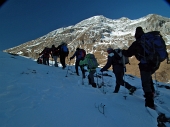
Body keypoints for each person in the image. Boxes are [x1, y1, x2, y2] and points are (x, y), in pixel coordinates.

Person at [122, 26, 157, 109]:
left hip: (145, 64)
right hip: (154, 63)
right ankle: (152, 93)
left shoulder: (138, 43)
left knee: (145, 82)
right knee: (148, 78)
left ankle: (149, 103)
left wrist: (123, 51)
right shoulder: (149, 40)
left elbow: (128, 53)